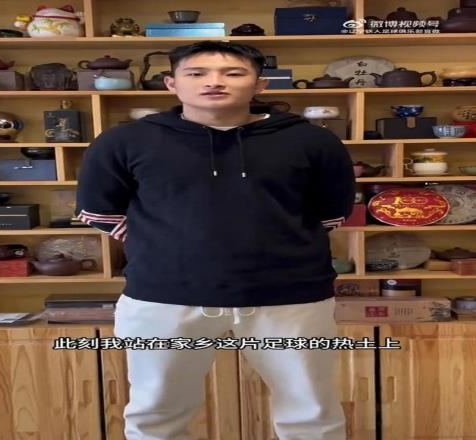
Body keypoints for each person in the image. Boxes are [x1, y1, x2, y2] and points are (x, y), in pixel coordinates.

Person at [76, 41, 355, 440]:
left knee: (312, 412)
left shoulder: (313, 141)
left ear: (260, 84)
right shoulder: (124, 141)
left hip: (291, 297)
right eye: (197, 73)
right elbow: (97, 210)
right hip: (163, 297)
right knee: (156, 414)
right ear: (172, 83)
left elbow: (332, 212)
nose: (214, 82)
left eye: (233, 73)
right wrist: (163, 245)